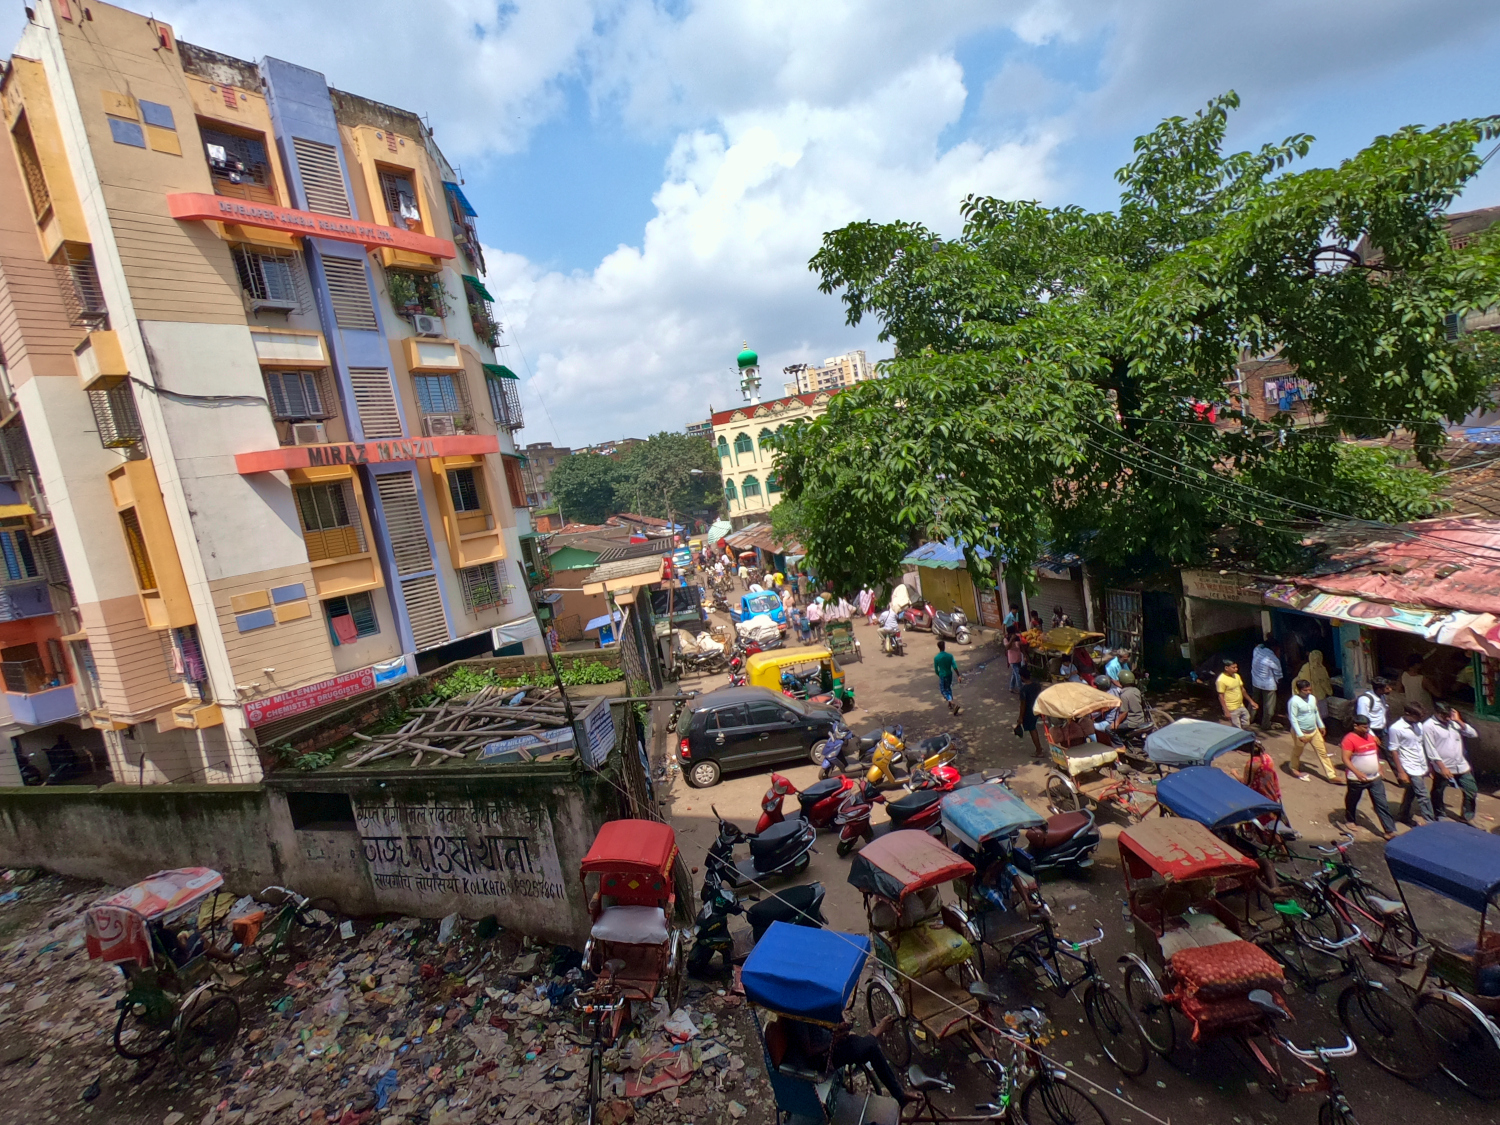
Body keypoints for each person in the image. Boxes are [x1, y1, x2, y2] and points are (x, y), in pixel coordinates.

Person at [784, 1015, 912, 1107]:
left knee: (858, 1041)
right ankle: (900, 1096)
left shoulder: (809, 1003)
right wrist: (833, 1041)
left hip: (828, 1042)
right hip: (821, 1060)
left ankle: (873, 1034)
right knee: (871, 1049)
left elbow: (818, 1024)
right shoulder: (796, 1015)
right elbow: (809, 1050)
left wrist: (837, 1028)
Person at [1341, 715, 1396, 840]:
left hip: (1375, 778)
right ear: (1356, 726)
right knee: (1353, 800)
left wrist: (1379, 767)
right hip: (1357, 779)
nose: (1367, 730)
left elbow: (1375, 754)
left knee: (1381, 803)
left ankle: (1390, 830)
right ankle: (1350, 819)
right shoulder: (1349, 740)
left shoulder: (1371, 738)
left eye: (1368, 727)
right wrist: (1357, 772)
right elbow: (1345, 758)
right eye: (1364, 727)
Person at [1423, 701, 1479, 823]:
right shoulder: (1429, 726)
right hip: (1444, 766)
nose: (1447, 718)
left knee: (1471, 790)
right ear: (1437, 713)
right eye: (1444, 716)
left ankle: (1467, 816)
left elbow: (1473, 734)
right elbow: (1431, 749)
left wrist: (1458, 720)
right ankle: (1439, 813)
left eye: (1449, 715)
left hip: (1461, 765)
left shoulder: (1454, 723)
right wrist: (1442, 767)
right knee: (1439, 790)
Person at [1387, 703, 1437, 825]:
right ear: (1408, 714)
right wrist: (1401, 772)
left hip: (1421, 764)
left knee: (1411, 791)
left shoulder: (1418, 725)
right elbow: (1394, 750)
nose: (1420, 719)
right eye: (1417, 716)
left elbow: (1421, 745)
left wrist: (1429, 764)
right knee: (1423, 795)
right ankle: (1431, 822)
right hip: (1409, 765)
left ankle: (1403, 814)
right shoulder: (1396, 728)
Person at [1287, 678, 1335, 782]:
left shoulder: (1312, 698)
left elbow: (1315, 712)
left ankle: (1331, 775)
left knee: (1323, 753)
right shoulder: (1294, 701)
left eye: (1309, 690)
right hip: (1301, 732)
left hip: (1314, 731)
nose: (1308, 692)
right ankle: (1293, 767)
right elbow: (1293, 718)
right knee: (1297, 751)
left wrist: (1321, 725)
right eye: (1305, 690)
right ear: (1299, 690)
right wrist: (1300, 734)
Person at [1250, 640, 1283, 732]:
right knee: (1268, 706)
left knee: (1253, 702)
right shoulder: (1273, 659)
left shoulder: (1256, 650)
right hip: (1268, 685)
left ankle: (1249, 719)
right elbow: (1278, 675)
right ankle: (1266, 724)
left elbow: (1259, 645)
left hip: (1255, 682)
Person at [1217, 658, 1256, 730]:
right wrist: (1226, 711)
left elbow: (1242, 690)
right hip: (1232, 708)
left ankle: (1244, 734)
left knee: (1246, 721)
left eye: (1236, 667)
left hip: (1240, 705)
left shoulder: (1237, 676)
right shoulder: (1221, 680)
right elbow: (1221, 696)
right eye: (1233, 668)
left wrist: (1251, 701)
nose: (1236, 669)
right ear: (1226, 668)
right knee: (1236, 728)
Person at [1015, 665, 1045, 757]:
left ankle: (1039, 750)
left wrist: (1020, 717)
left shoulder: (1024, 690)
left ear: (1022, 677)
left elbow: (1023, 705)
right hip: (1037, 708)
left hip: (1029, 712)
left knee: (1032, 730)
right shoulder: (1036, 685)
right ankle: (1039, 749)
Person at [1295, 650, 1334, 719]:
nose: (1316, 661)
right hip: (1310, 696)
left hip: (1320, 695)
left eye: (1318, 659)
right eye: (1314, 659)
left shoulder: (1322, 669)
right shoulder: (1306, 668)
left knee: (1323, 715)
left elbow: (1326, 681)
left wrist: (1328, 690)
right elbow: (1301, 682)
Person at [1355, 678, 1391, 753]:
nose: (1390, 689)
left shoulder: (1382, 696)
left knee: (1388, 751)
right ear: (1379, 689)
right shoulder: (1365, 700)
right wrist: (1372, 735)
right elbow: (1362, 720)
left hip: (1382, 731)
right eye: (1387, 688)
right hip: (1371, 731)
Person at [934, 639, 962, 715]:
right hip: (949, 674)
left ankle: (952, 703)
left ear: (938, 647)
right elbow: (954, 666)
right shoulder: (950, 656)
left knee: (943, 690)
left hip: (942, 675)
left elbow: (936, 670)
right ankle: (950, 704)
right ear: (944, 647)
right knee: (948, 688)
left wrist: (939, 675)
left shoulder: (936, 658)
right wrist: (958, 675)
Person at [1005, 626, 1025, 693]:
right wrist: (1011, 640)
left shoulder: (1017, 637)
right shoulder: (1006, 639)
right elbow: (1007, 647)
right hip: (1012, 660)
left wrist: (1025, 655)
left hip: (1018, 658)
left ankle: (1011, 687)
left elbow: (1021, 647)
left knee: (1014, 674)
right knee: (1018, 674)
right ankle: (1021, 689)